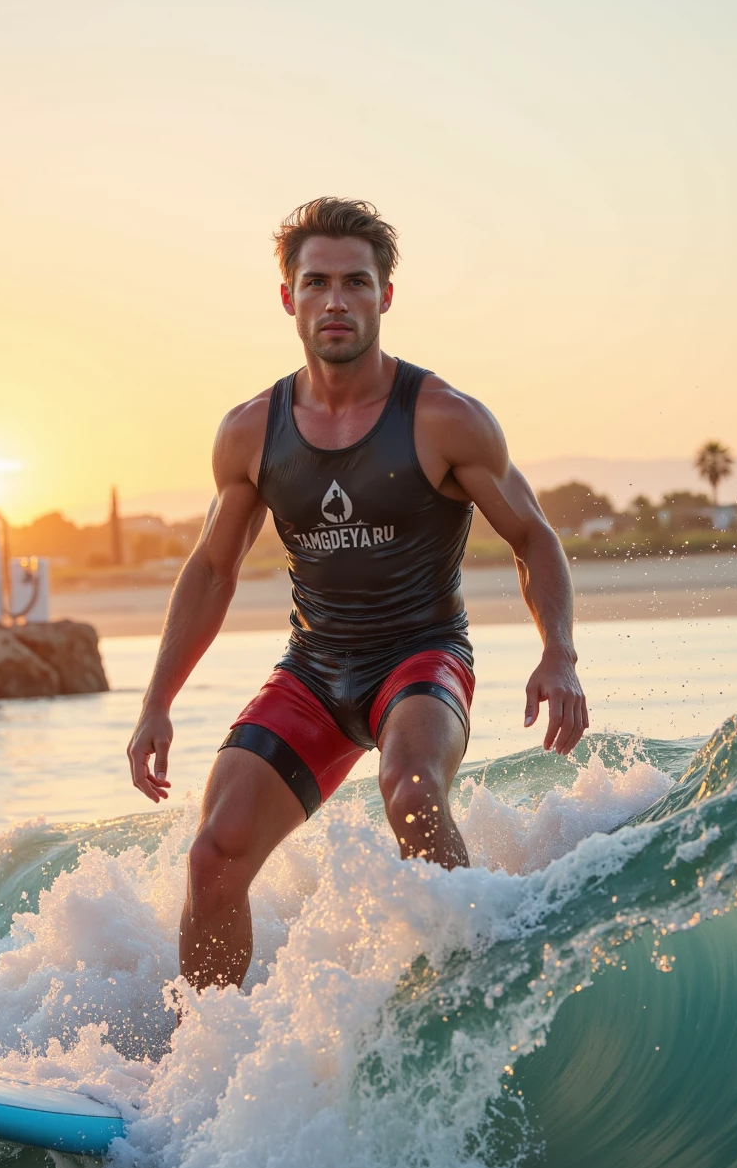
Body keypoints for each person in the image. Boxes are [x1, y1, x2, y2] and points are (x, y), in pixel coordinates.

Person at [128, 197, 588, 991]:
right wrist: (156, 701)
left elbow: (534, 537)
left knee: (411, 792)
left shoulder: (443, 418)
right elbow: (211, 569)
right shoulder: (249, 431)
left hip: (421, 659)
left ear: (385, 295)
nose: (335, 301)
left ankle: (471, 995)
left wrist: (560, 653)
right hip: (313, 668)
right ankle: (196, 1075)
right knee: (213, 854)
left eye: (355, 282)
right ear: (288, 298)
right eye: (316, 283)